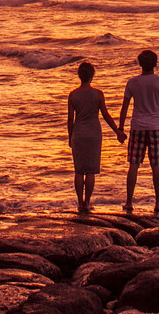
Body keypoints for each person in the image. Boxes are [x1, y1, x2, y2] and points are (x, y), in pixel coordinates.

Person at [116, 48, 159, 217]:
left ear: (140, 64)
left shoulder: (132, 83)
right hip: (156, 127)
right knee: (156, 166)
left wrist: (120, 128)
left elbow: (124, 108)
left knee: (133, 165)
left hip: (137, 127)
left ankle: (129, 202)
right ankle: (158, 203)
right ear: (155, 64)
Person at [66, 60, 121, 214]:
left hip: (78, 133)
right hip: (94, 134)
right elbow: (106, 115)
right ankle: (87, 202)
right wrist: (117, 131)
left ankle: (79, 202)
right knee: (90, 171)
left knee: (79, 171)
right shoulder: (98, 94)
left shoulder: (73, 95)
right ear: (92, 76)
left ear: (79, 76)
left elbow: (70, 119)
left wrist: (70, 136)